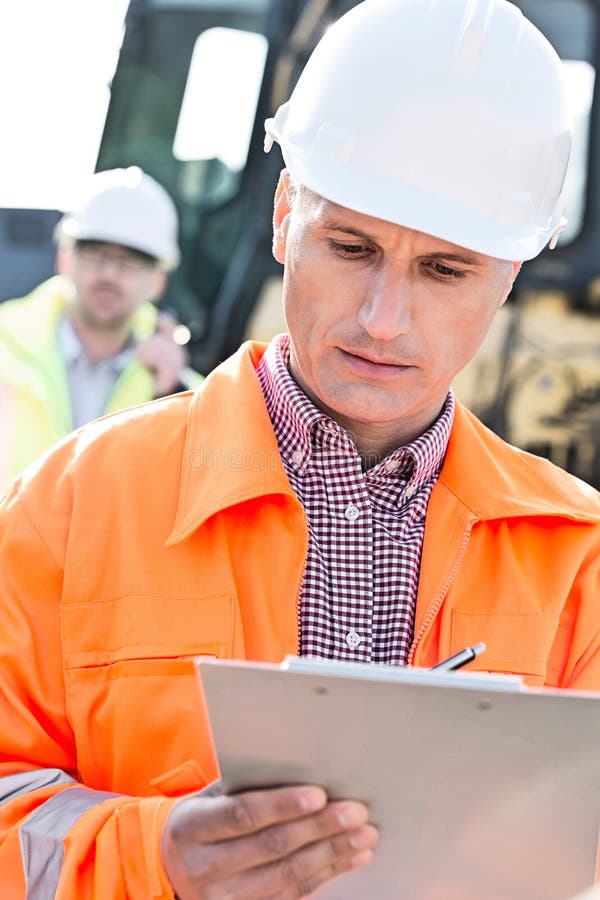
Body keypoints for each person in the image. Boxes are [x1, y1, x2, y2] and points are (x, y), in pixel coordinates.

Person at [0, 0, 599, 896]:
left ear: (511, 271)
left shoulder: (579, 557)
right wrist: (153, 856)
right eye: (351, 247)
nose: (382, 320)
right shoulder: (69, 507)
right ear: (286, 214)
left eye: (445, 271)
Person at [0, 166, 200, 493]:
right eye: (95, 254)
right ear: (65, 259)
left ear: (158, 280)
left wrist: (172, 399)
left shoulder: (185, 393)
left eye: (130, 260)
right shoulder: (4, 347)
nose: (109, 273)